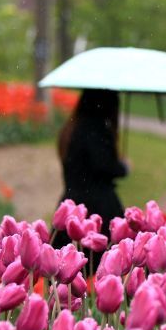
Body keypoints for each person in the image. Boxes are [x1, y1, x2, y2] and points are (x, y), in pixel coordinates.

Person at [52, 89, 128, 253]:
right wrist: (123, 167)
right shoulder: (97, 130)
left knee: (68, 262)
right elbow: (105, 165)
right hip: (99, 207)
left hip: (71, 204)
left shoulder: (72, 128)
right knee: (102, 264)